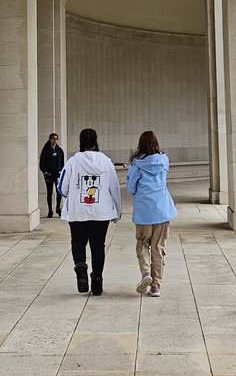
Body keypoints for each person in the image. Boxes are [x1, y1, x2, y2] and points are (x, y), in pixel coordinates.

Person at [57, 127, 121, 296]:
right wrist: (117, 211)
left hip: (78, 211)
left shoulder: (72, 161)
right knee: (98, 245)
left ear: (80, 141)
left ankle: (81, 270)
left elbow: (62, 187)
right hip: (101, 212)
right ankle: (97, 280)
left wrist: (71, 195)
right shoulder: (106, 161)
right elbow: (114, 188)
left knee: (78, 241)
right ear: (96, 141)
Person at [127, 130, 177, 297]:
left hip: (144, 212)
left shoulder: (136, 164)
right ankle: (156, 286)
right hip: (163, 210)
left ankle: (146, 274)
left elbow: (131, 187)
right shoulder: (164, 160)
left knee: (142, 244)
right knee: (158, 247)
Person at [38, 133, 65, 217]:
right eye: (53, 138)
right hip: (49, 174)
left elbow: (62, 162)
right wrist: (45, 172)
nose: (55, 140)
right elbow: (42, 163)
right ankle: (50, 210)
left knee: (59, 192)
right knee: (49, 192)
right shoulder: (46, 150)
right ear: (50, 139)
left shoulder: (59, 150)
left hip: (58, 174)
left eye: (56, 139)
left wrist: (61, 171)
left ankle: (58, 208)